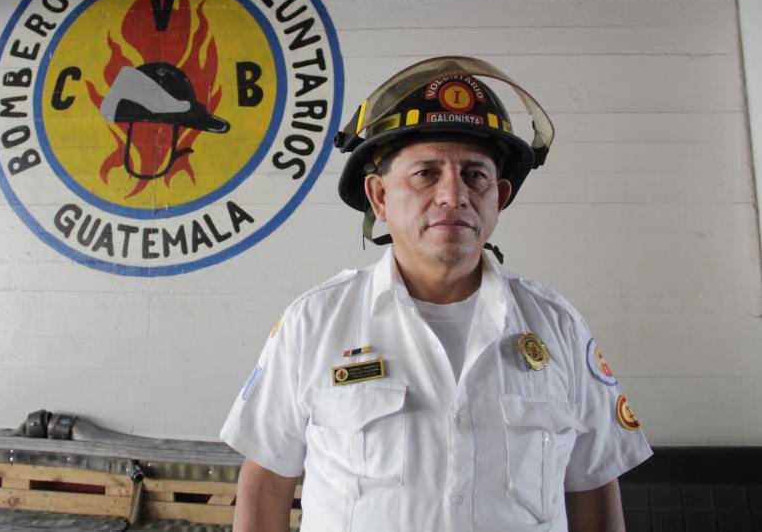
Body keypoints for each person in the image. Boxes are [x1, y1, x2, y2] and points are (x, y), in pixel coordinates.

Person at [220, 57, 652, 532]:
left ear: (499, 197)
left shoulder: (557, 326)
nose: (454, 194)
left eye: (475, 175)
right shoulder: (315, 322)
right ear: (379, 197)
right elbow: (267, 482)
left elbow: (591, 483)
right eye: (426, 173)